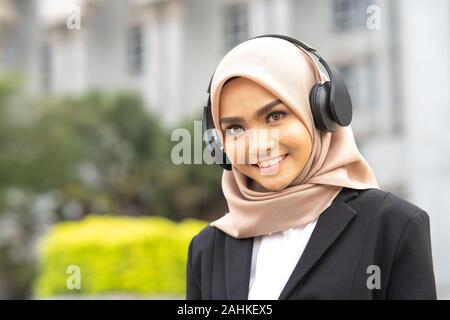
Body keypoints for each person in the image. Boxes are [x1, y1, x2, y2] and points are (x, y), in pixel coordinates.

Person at [186, 35, 437, 300]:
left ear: (322, 113)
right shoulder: (207, 249)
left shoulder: (394, 226)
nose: (258, 145)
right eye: (235, 129)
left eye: (275, 116)